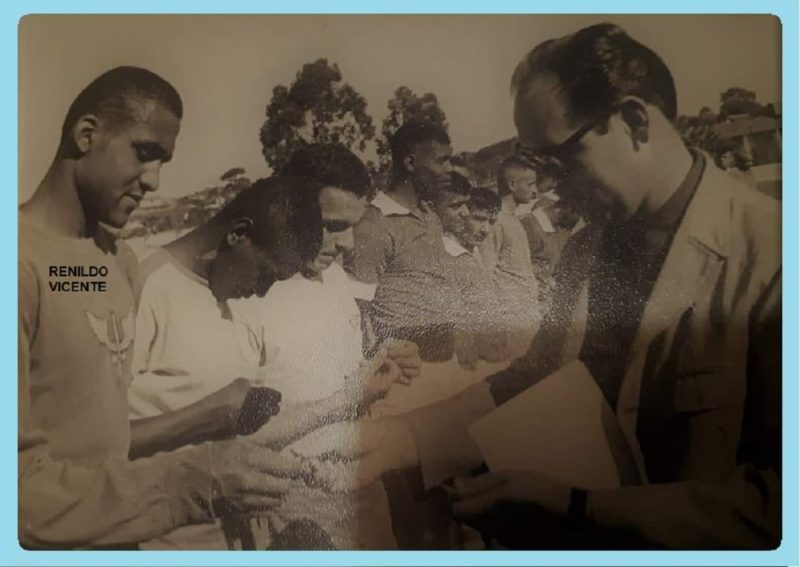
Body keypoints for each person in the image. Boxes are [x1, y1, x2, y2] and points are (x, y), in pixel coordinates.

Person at [347, 22, 782, 550]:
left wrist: (581, 511)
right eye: (534, 163)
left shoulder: (775, 257)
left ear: (634, 121)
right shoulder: (585, 251)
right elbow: (536, 379)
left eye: (559, 158)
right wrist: (394, 441)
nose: (549, 182)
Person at [18, 66, 317, 549]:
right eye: (144, 152)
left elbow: (110, 440)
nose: (154, 180)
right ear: (86, 134)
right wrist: (192, 484)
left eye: (164, 162)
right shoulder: (20, 261)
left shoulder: (117, 263)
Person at [345, 120, 452, 284]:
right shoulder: (374, 225)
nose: (449, 169)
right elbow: (360, 301)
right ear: (410, 163)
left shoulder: (430, 217)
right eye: (441, 161)